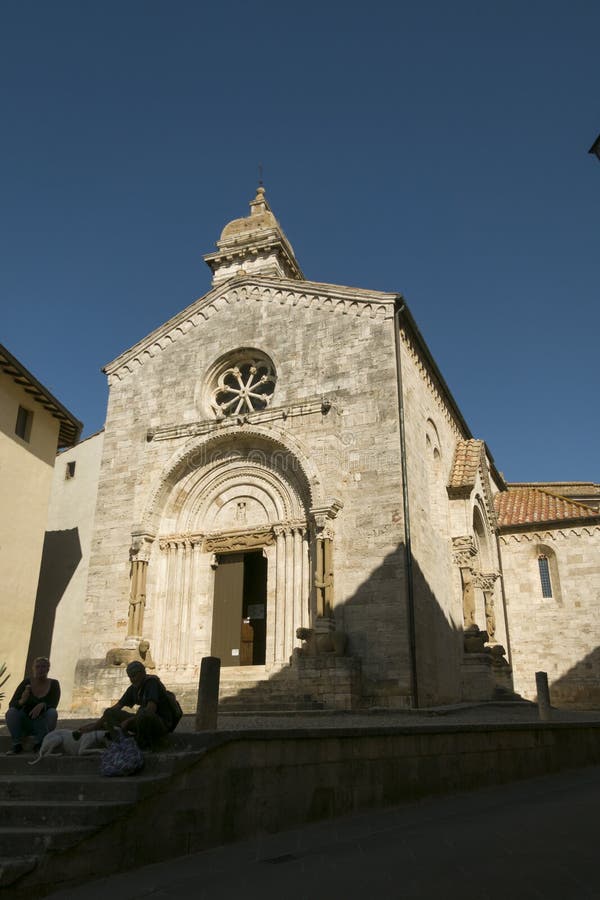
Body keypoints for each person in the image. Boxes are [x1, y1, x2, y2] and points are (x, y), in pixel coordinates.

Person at [81, 661, 172, 750]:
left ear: (142, 673)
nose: (132, 679)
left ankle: (148, 743)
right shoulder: (133, 688)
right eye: (130, 677)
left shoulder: (152, 683)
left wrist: (128, 721)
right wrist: (94, 726)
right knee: (109, 713)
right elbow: (116, 708)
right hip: (141, 719)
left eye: (134, 675)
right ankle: (123, 743)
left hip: (160, 723)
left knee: (144, 715)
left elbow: (150, 710)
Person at [5, 656, 60, 755]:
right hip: (25, 720)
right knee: (11, 712)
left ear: (48, 669)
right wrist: (22, 700)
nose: (40, 669)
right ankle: (17, 744)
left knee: (52, 713)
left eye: (43, 666)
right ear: (33, 668)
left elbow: (54, 704)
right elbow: (12, 704)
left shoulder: (54, 684)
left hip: (42, 722)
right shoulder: (26, 682)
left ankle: (40, 743)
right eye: (37, 667)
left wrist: (43, 704)